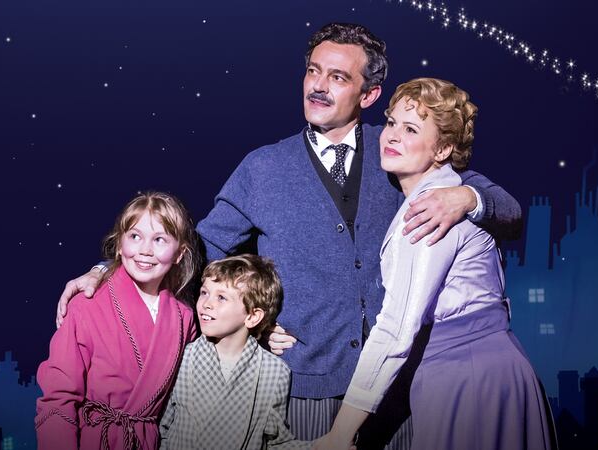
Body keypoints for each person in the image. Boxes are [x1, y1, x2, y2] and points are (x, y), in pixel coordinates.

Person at [56, 23, 523, 448]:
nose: (319, 85)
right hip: (307, 389)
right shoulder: (263, 169)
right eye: (313, 71)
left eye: (339, 77)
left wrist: (468, 200)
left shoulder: (399, 148)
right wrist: (110, 269)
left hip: (400, 390)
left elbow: (504, 207)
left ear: (369, 94)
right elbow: (194, 250)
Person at [314, 78, 556, 450]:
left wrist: (341, 431)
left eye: (410, 129)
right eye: (391, 122)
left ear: (442, 148)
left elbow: (397, 329)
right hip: (481, 370)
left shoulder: (430, 210)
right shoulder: (431, 192)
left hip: (467, 378)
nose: (391, 135)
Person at [35, 192, 200, 450]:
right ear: (120, 244)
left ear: (180, 253)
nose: (145, 250)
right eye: (135, 236)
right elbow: (58, 400)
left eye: (160, 240)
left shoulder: (184, 318)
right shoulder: (84, 306)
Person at [159, 255, 310, 450]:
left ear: (253, 316)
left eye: (221, 297)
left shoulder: (274, 372)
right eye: (204, 292)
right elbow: (162, 429)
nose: (206, 303)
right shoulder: (183, 357)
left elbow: (275, 442)